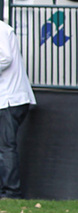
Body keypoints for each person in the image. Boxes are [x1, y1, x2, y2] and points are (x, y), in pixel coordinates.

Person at [0, 15, 34, 199]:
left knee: (6, 147)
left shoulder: (1, 29)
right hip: (10, 98)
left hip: (9, 99)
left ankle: (12, 192)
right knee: (4, 147)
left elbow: (5, 58)